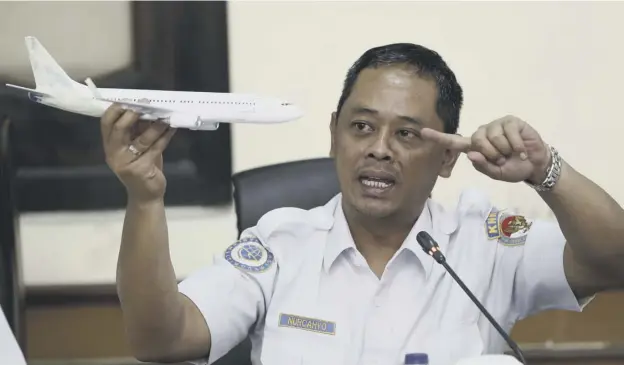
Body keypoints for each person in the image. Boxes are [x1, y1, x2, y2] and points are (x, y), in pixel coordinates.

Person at [100, 43, 624, 365]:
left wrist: (546, 172)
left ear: (447, 157)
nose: (378, 148)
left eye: (408, 134)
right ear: (334, 136)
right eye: (361, 127)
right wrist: (146, 199)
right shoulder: (279, 245)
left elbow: (613, 260)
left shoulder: (485, 240)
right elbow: (160, 340)